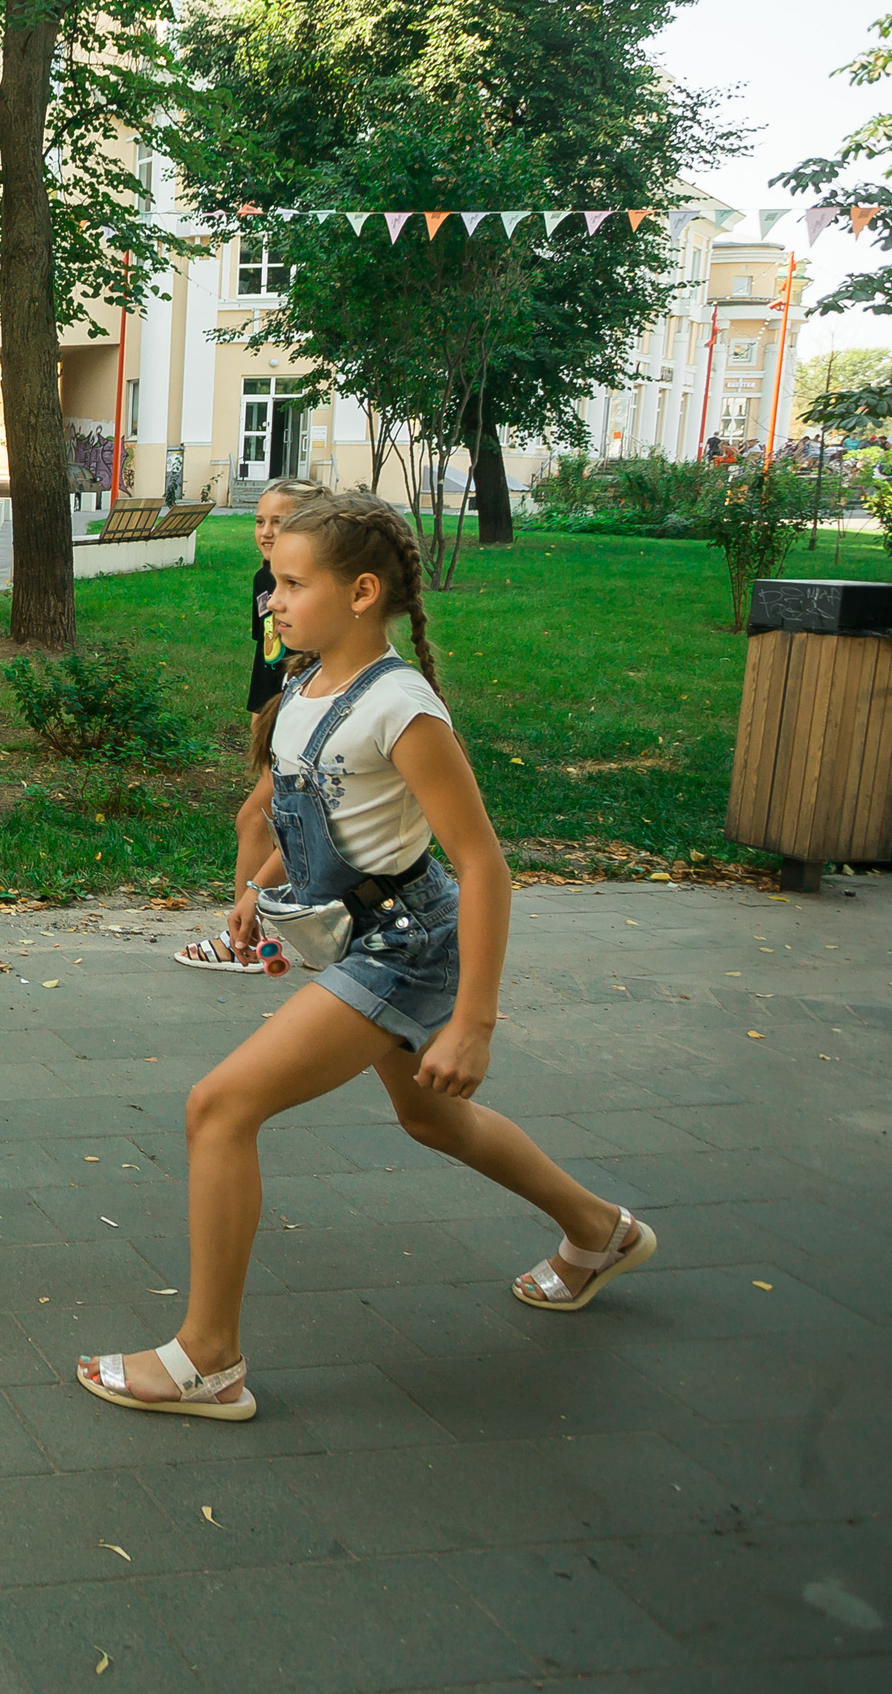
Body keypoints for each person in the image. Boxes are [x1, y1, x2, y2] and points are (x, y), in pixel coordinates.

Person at [82, 493, 654, 1421]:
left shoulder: (401, 705)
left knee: (219, 1107)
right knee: (434, 1122)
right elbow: (325, 820)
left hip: (408, 943)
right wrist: (262, 890)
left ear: (361, 592)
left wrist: (474, 1020)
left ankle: (208, 1359)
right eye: (274, 580)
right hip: (364, 931)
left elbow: (484, 864)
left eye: (293, 583)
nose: (273, 596)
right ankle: (600, 1230)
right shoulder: (305, 689)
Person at [174, 476, 329, 974]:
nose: (265, 531)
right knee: (296, 822)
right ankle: (327, 932)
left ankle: (243, 940)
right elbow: (268, 654)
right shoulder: (265, 580)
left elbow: (316, 654)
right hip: (277, 712)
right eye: (260, 520)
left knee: (257, 820)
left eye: (278, 522)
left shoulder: (318, 584)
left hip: (308, 714)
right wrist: (263, 715)